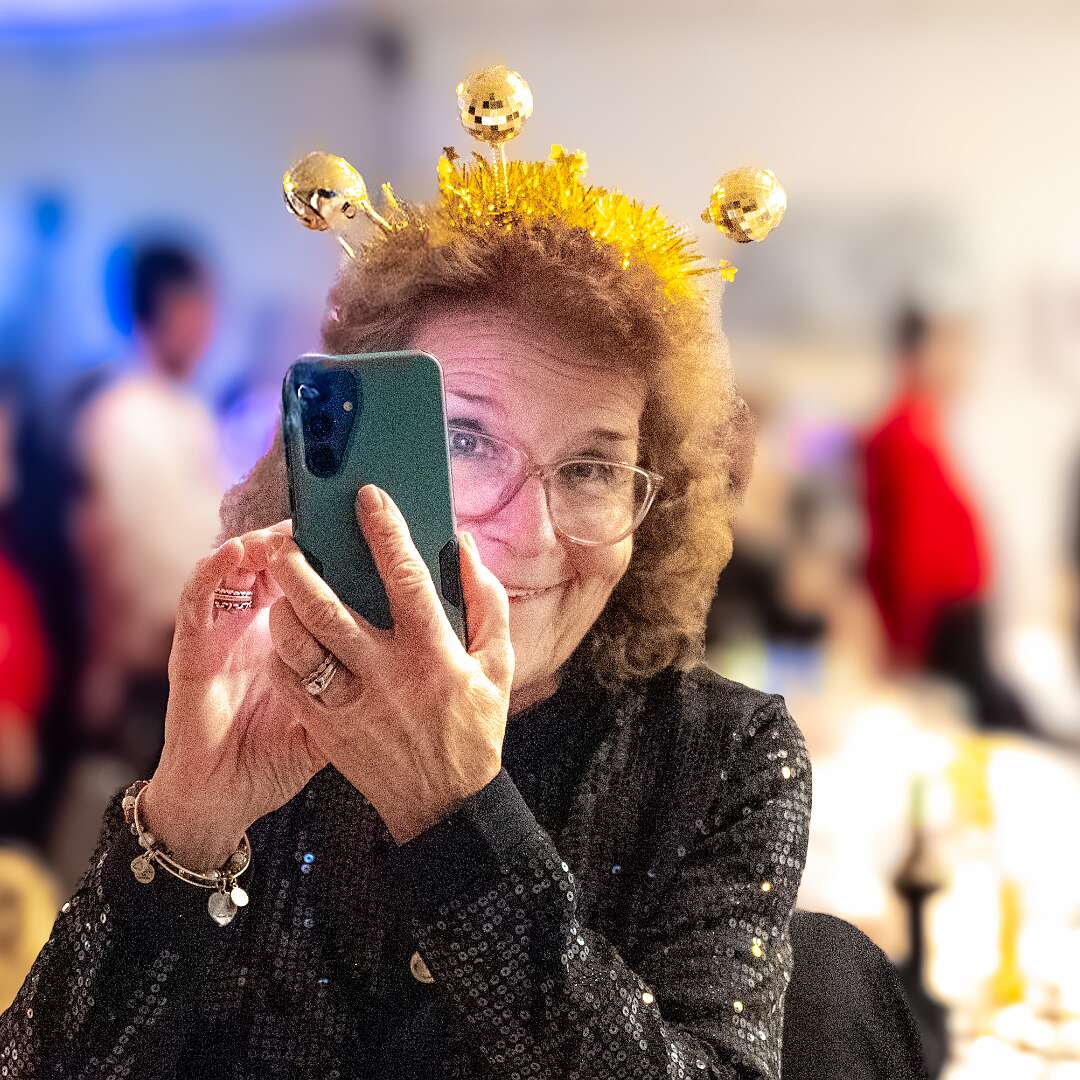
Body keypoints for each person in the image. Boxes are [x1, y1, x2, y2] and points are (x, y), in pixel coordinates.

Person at [2, 77, 924, 1079]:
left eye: (592, 468)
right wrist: (183, 827)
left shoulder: (718, 757)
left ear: (654, 511)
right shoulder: (266, 721)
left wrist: (456, 816)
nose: (529, 532)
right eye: (465, 442)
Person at [68, 240, 226, 750]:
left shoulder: (190, 410)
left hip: (193, 646)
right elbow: (115, 547)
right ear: (164, 308)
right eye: (198, 305)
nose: (209, 324)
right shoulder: (121, 414)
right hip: (149, 661)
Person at [863, 305, 1028, 732]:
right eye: (952, 348)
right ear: (923, 354)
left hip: (953, 627)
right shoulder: (906, 435)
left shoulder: (926, 427)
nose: (963, 364)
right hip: (940, 632)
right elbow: (910, 554)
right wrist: (907, 646)